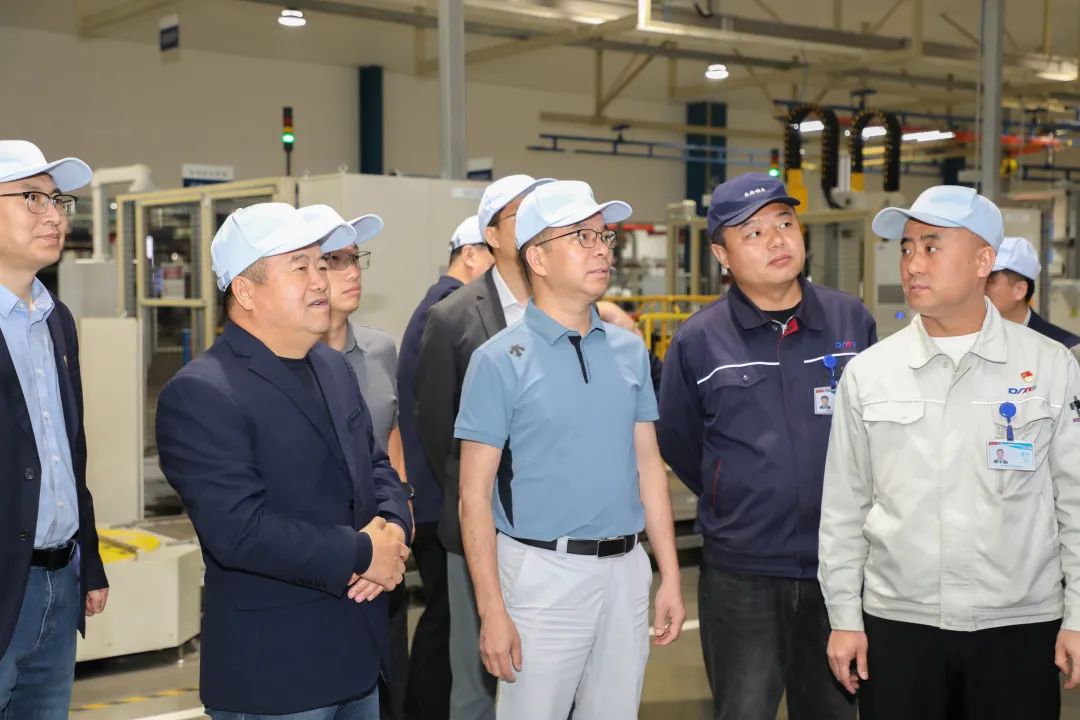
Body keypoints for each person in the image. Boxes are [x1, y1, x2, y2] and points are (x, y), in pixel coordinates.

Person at [819, 185, 1080, 720]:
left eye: (932, 247)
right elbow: (844, 507)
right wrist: (844, 616)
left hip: (1018, 624)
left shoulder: (1051, 366)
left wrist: (1078, 616)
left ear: (983, 261)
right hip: (900, 624)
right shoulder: (870, 373)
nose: (913, 264)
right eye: (907, 247)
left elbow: (1075, 502)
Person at [156, 202, 413, 719]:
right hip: (278, 673)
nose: (320, 280)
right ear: (245, 291)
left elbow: (376, 466)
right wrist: (363, 552)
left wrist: (393, 529)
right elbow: (239, 531)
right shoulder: (203, 392)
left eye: (321, 264)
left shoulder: (331, 367)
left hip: (358, 653)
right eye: (299, 267)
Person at [455, 179, 685, 720]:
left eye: (604, 235)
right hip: (541, 573)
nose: (602, 249)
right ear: (537, 257)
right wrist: (492, 610)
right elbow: (473, 498)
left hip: (626, 570)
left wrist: (669, 575)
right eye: (581, 236)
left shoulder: (629, 351)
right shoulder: (499, 360)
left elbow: (649, 469)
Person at [657, 173, 873, 720]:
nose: (777, 240)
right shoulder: (700, 339)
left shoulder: (850, 319)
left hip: (840, 567)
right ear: (721, 255)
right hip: (743, 571)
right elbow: (680, 440)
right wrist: (736, 490)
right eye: (752, 232)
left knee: (833, 710)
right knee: (744, 709)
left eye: (784, 223)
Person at [415, 174, 552, 720]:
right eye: (522, 214)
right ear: (491, 235)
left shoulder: (566, 305)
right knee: (474, 684)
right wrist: (479, 499)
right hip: (480, 529)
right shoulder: (452, 318)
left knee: (549, 677)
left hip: (554, 530)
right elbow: (437, 428)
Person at [0, 140, 109, 717]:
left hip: (58, 580)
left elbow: (68, 452)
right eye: (32, 198)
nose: (55, 215)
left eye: (58, 200)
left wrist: (88, 560)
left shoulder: (56, 319)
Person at [312, 205, 412, 720]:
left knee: (385, 695)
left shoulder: (379, 350)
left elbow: (391, 440)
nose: (352, 272)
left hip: (386, 558)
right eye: (335, 260)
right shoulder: (286, 363)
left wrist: (400, 524)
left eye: (355, 258)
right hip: (319, 563)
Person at [398, 215, 493, 720]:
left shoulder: (441, 306)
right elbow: (441, 422)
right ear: (471, 254)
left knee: (446, 619)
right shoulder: (450, 311)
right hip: (442, 502)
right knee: (449, 620)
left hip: (441, 497)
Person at [985, 235, 1080, 348]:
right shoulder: (973, 338)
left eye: (988, 282)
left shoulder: (1065, 348)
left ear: (1020, 290)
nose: (978, 288)